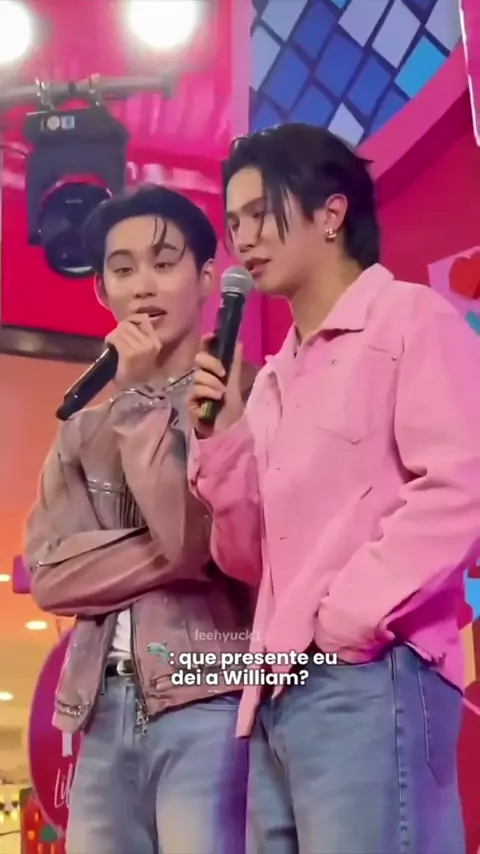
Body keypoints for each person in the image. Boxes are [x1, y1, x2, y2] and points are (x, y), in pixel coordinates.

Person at [187, 123, 480, 854]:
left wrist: (347, 619)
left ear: (331, 213)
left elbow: (460, 484)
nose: (244, 238)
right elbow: (247, 557)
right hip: (276, 694)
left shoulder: (409, 318)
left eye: (261, 213)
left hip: (373, 672)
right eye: (234, 222)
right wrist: (219, 439)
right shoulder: (272, 379)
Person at [24, 184, 257, 854]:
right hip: (100, 710)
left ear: (207, 277)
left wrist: (137, 399)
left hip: (208, 696)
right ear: (102, 289)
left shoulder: (242, 399)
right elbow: (50, 575)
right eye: (123, 270)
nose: (143, 285)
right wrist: (182, 551)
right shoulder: (82, 429)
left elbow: (194, 537)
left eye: (163, 262)